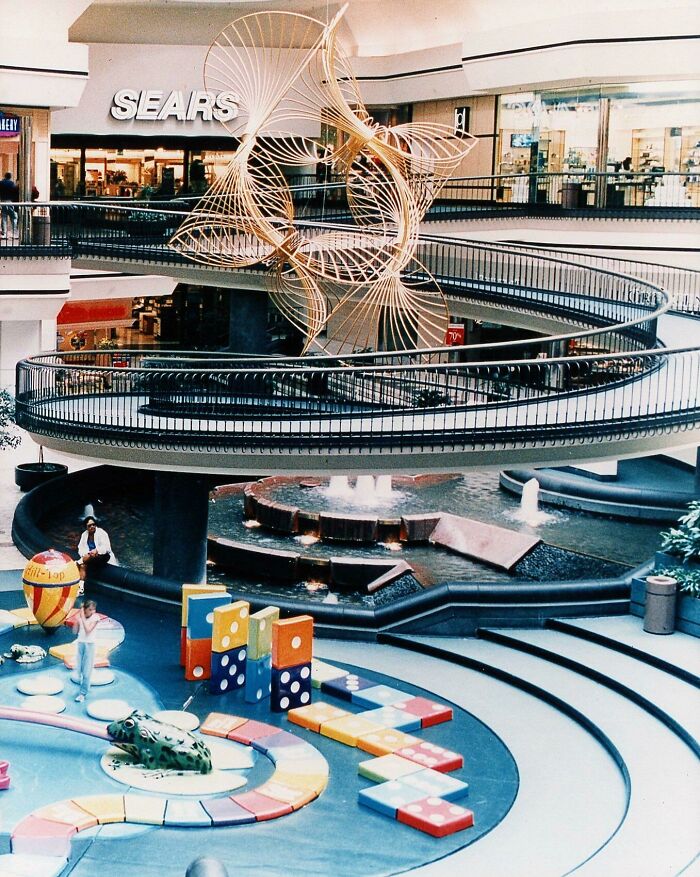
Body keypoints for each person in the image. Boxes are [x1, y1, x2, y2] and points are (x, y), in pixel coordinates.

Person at [72, 599, 99, 702]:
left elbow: (88, 631)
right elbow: (75, 632)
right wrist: (76, 620)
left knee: (86, 672)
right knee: (79, 670)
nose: (92, 612)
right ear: (85, 610)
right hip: (80, 644)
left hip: (90, 645)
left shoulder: (96, 618)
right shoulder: (81, 617)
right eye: (90, 610)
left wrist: (82, 617)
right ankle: (83, 686)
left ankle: (82, 693)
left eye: (93, 609)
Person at [77, 516, 112, 581]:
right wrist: (87, 554)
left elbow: (107, 548)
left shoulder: (102, 533)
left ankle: (78, 562)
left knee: (83, 561)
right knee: (83, 566)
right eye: (89, 525)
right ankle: (81, 588)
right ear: (86, 527)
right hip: (90, 556)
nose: (92, 526)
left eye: (93, 524)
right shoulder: (84, 535)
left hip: (103, 556)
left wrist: (97, 550)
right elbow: (80, 548)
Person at [0, 172, 18, 239]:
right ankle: (14, 233)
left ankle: (4, 233)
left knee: (4, 217)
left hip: (2, 201)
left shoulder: (1, 183)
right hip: (10, 201)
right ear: (10, 177)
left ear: (5, 176)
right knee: (13, 217)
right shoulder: (12, 184)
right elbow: (15, 192)